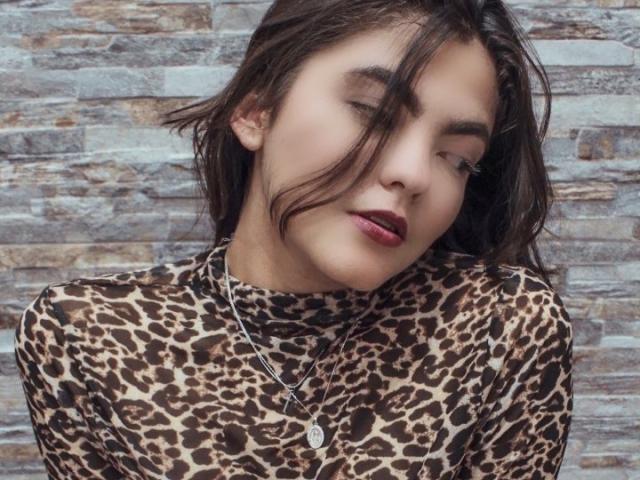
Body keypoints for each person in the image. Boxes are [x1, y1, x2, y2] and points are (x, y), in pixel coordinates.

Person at [14, 1, 574, 479]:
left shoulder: (501, 326)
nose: (414, 174)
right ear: (256, 109)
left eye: (458, 159)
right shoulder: (85, 336)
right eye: (374, 114)